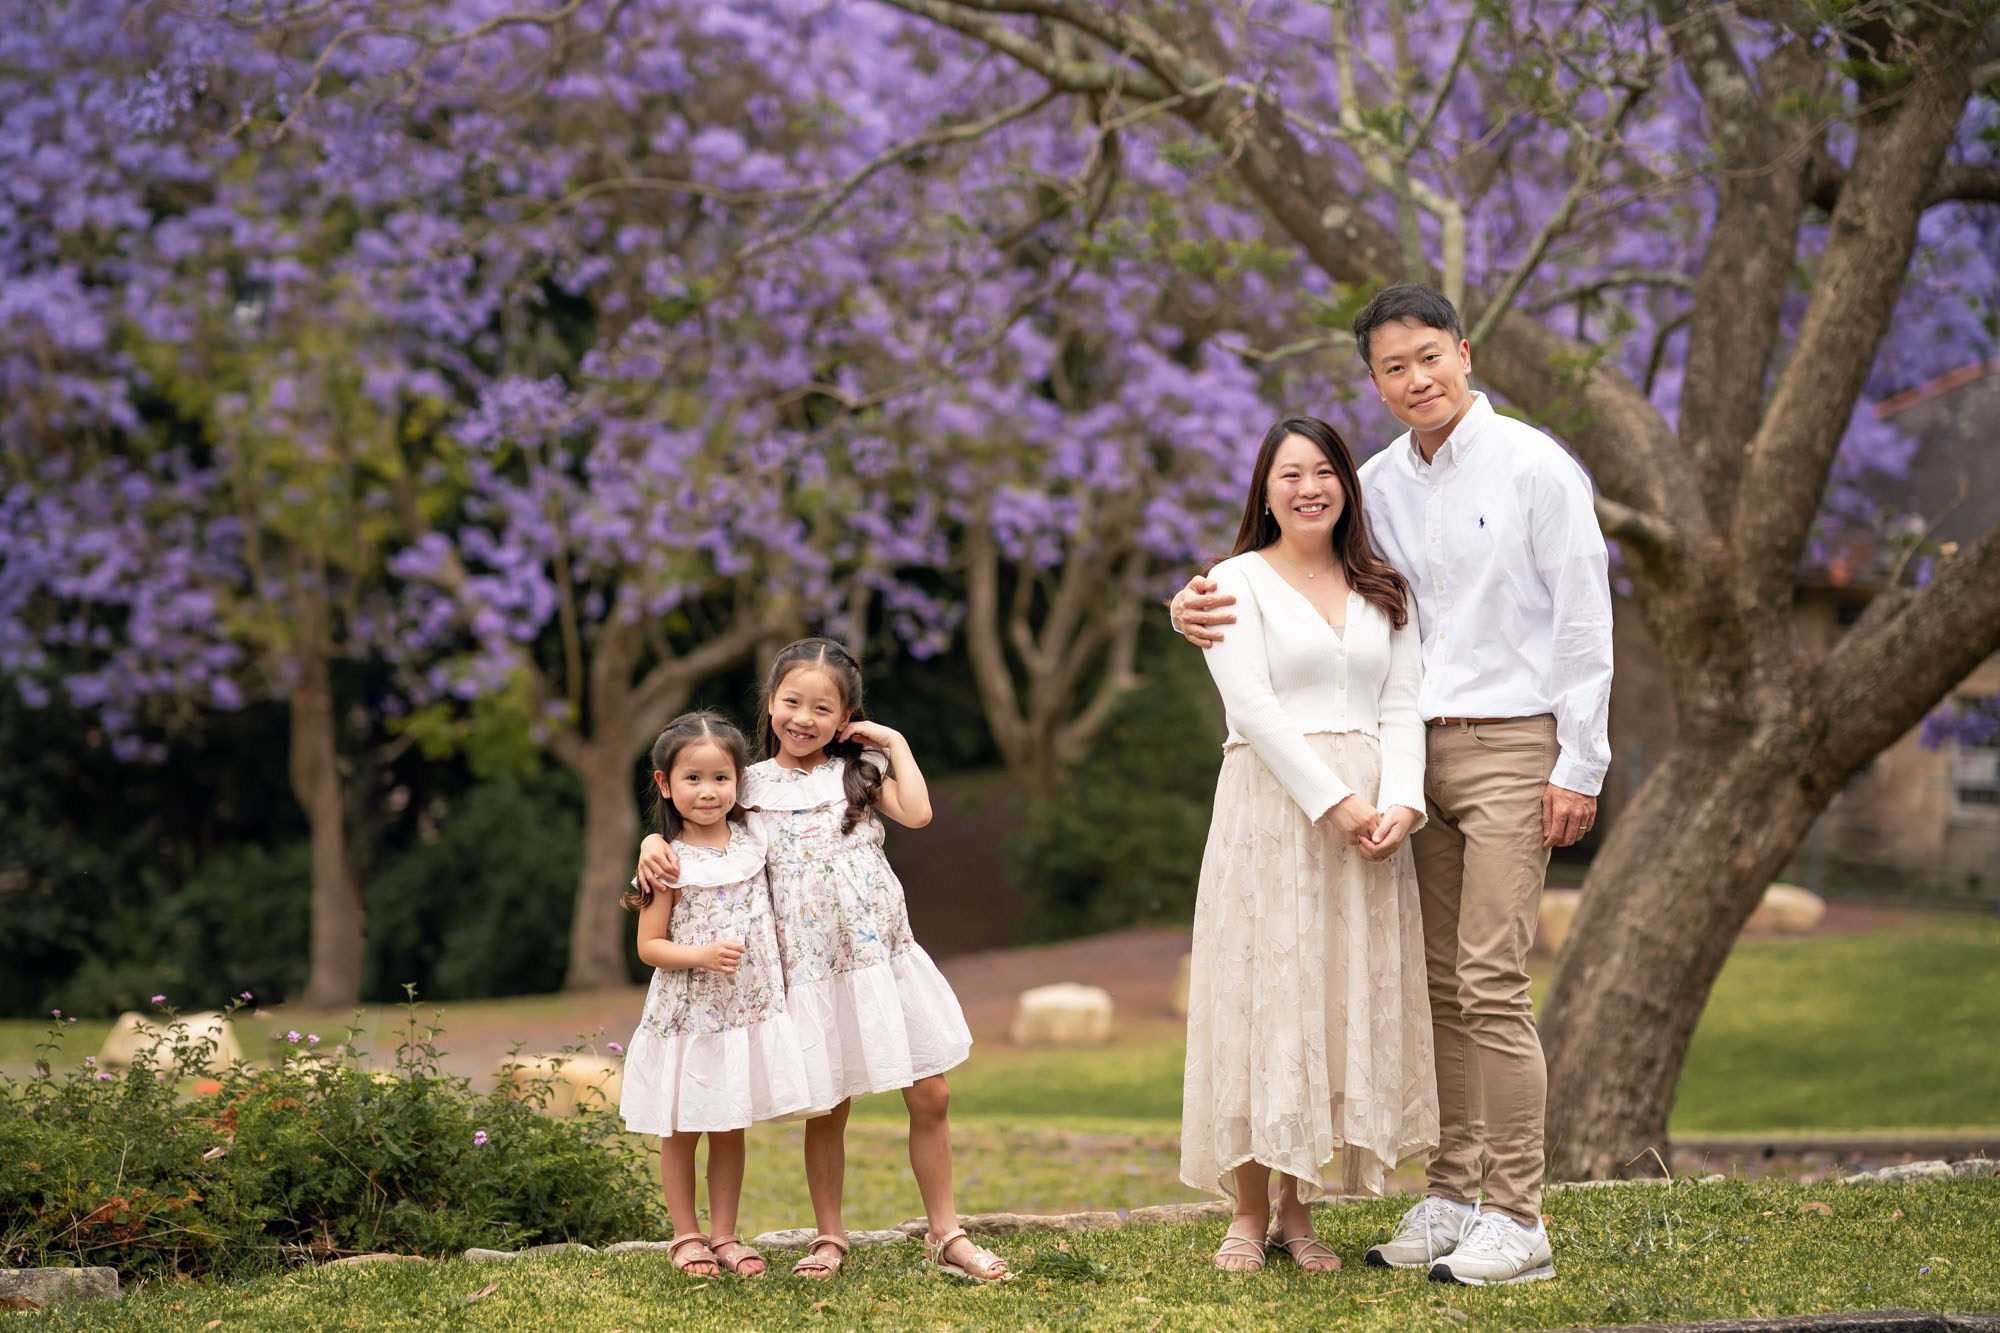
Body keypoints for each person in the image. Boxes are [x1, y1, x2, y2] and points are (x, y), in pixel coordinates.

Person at [1172, 285, 1614, 1287]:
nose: (1415, 380)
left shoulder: (1535, 466)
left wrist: (1576, 763)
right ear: (1371, 381)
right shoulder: (1370, 484)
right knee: (1439, 991)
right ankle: (1454, 1194)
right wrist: (1186, 606)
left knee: (1492, 980)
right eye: (1391, 367)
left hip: (1510, 745)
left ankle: (1516, 1213)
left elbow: (1583, 621)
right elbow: (1288, 570)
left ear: (1464, 350)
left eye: (1428, 357)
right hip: (1408, 758)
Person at [636, 638, 1010, 1283]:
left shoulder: (858, 774)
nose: (802, 719)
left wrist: (893, 744)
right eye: (791, 702)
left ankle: (946, 1235)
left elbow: (918, 814)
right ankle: (829, 1237)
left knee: (930, 1092)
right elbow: (700, 829)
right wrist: (650, 840)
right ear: (771, 704)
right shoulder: (747, 787)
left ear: (845, 717)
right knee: (828, 1105)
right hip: (809, 973)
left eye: (822, 708)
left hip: (882, 962)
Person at [1181, 415, 1437, 1276]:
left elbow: (1401, 703)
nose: (1307, 488)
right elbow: (1251, 705)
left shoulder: (1382, 586)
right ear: (1264, 490)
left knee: (1329, 1001)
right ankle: (1247, 1214)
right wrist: (1335, 802)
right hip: (1272, 812)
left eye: (1323, 471)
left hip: (1370, 821)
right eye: (1288, 474)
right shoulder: (1230, 584)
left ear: (1346, 486)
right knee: (1267, 998)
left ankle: (1301, 1211)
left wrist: (1401, 801)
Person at [618, 711, 813, 1279]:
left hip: (743, 1014)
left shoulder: (754, 844)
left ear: (738, 782)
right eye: (693, 779)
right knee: (680, 1128)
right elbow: (650, 946)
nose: (708, 792)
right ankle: (686, 1236)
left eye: (721, 779)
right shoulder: (667, 861)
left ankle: (725, 1234)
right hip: (687, 1016)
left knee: (730, 1126)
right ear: (664, 784)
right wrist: (700, 956)